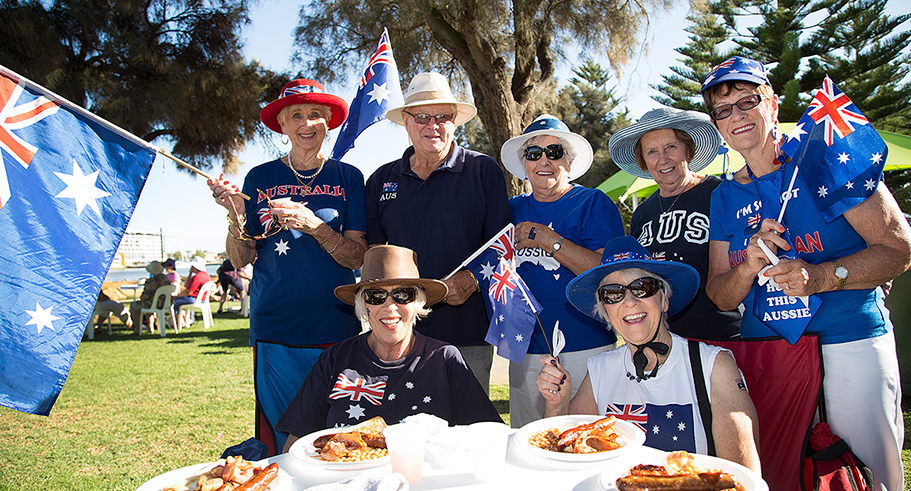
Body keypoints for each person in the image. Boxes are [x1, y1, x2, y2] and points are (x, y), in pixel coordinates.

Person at [701, 56, 911, 490]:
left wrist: (822, 276)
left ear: (773, 104)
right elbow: (721, 295)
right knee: (784, 472)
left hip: (850, 338)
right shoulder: (724, 196)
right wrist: (748, 265)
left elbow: (899, 249)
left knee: (871, 475)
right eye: (724, 110)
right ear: (716, 125)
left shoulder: (826, 157)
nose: (737, 116)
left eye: (747, 102)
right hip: (770, 353)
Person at [207, 78, 367, 453]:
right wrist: (235, 218)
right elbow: (242, 257)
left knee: (338, 436)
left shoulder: (348, 178)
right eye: (296, 115)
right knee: (282, 437)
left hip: (335, 324)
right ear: (283, 125)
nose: (306, 123)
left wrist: (315, 226)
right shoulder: (260, 178)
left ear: (329, 123)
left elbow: (358, 256)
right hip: (274, 326)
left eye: (315, 115)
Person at [537, 236, 761, 473]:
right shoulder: (600, 369)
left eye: (642, 288)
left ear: (664, 300)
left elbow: (744, 476)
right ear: (605, 312)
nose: (630, 302)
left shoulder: (713, 365)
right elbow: (567, 459)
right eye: (613, 294)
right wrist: (557, 406)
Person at [365, 72, 511, 394]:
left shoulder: (482, 170)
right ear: (406, 121)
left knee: (467, 431)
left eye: (443, 116)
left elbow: (503, 243)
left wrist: (470, 281)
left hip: (468, 330)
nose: (433, 125)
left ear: (455, 120)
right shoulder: (380, 180)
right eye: (422, 116)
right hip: (400, 333)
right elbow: (375, 254)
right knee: (406, 430)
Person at [277, 245, 503, 451]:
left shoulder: (444, 359)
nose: (390, 306)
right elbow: (294, 446)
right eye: (376, 296)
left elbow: (491, 436)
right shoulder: (335, 359)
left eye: (403, 294)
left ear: (418, 303)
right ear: (363, 304)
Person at [498, 114, 623, 427]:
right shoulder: (511, 209)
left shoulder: (593, 202)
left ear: (569, 161)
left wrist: (548, 240)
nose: (544, 161)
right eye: (533, 153)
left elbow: (606, 271)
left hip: (588, 342)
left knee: (588, 437)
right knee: (528, 437)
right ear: (524, 163)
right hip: (525, 345)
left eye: (554, 152)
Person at [609, 108, 741, 339]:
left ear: (688, 149)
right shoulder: (642, 213)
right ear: (643, 161)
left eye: (671, 147)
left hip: (720, 334)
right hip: (663, 341)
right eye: (651, 151)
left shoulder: (720, 194)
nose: (663, 159)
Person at [129, 260, 172, 335]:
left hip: (154, 304)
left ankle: (138, 329)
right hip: (165, 304)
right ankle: (150, 327)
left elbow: (145, 296)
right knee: (149, 304)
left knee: (134, 305)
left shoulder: (151, 281)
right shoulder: (166, 280)